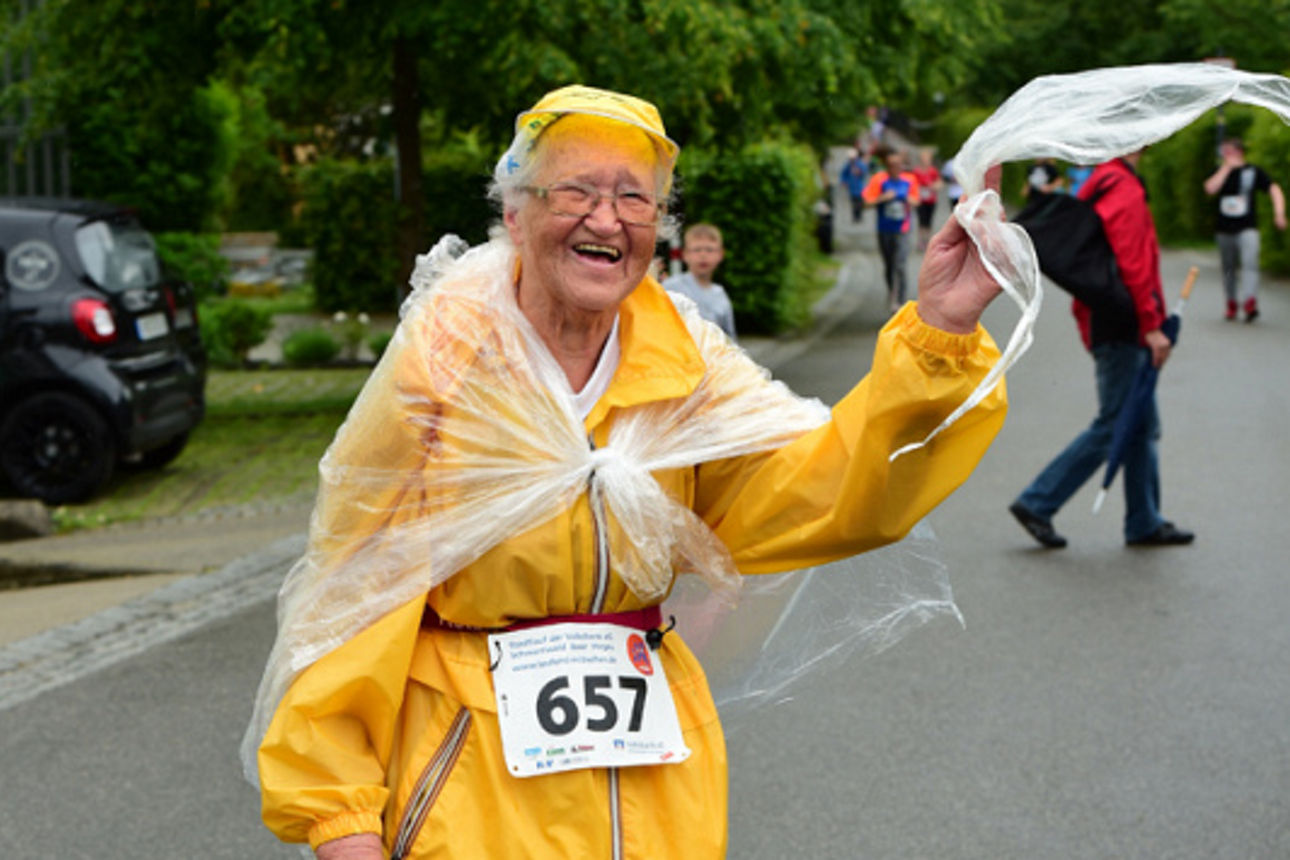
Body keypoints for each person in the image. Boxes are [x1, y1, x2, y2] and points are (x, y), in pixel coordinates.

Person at [248, 84, 1008, 860]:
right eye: (574, 190)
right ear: (514, 215)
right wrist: (341, 822)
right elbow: (349, 597)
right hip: (468, 800)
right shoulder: (441, 374)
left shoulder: (687, 370)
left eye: (633, 200)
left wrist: (940, 332)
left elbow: (822, 488)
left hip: (652, 799)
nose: (605, 219)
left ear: (657, 232)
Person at [1010, 149, 1194, 549]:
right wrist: (1152, 326)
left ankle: (1144, 520)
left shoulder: (1100, 182)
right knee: (1117, 422)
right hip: (1124, 322)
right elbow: (1133, 263)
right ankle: (1037, 501)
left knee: (1141, 423)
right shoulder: (1123, 188)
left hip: (1109, 316)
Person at [1202, 136, 1287, 322]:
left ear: (1239, 152)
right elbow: (1210, 189)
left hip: (1247, 226)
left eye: (1228, 152)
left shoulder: (1253, 171)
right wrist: (1225, 169)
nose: (1225, 155)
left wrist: (1279, 213)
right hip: (1224, 228)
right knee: (1228, 267)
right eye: (1223, 152)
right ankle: (1231, 301)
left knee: (1250, 263)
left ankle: (1250, 300)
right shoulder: (1219, 171)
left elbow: (1274, 189)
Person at [861, 145, 921, 314]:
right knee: (889, 265)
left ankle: (901, 301)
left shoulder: (909, 180)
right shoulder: (879, 180)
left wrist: (908, 199)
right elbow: (866, 203)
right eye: (891, 166)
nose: (895, 169)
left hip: (903, 228)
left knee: (900, 264)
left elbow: (916, 201)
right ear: (887, 166)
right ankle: (891, 293)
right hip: (884, 228)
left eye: (898, 165)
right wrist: (883, 198)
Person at [663, 222, 736, 338]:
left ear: (721, 254)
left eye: (710, 250)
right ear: (685, 254)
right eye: (697, 250)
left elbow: (730, 339)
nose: (703, 255)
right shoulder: (670, 287)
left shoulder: (721, 295)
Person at [912, 147, 943, 250]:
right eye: (923, 158)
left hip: (931, 200)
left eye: (927, 159)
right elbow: (912, 184)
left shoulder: (933, 171)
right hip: (920, 200)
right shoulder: (916, 171)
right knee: (921, 220)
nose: (925, 161)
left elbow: (940, 183)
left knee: (929, 221)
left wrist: (933, 186)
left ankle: (927, 240)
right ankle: (921, 240)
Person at [839, 148, 869, 223]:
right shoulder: (848, 165)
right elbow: (844, 174)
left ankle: (859, 216)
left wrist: (860, 172)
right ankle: (855, 217)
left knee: (859, 202)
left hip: (860, 187)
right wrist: (844, 181)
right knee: (853, 202)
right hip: (852, 187)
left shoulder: (860, 164)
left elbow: (865, 173)